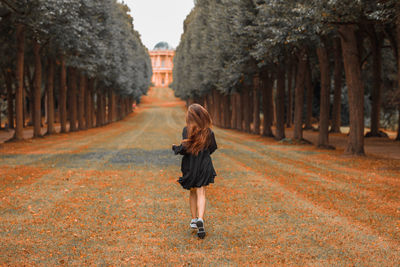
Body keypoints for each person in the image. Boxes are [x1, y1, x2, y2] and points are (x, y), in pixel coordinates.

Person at [172, 103, 217, 239]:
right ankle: (201, 219)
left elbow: (185, 148)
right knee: (201, 192)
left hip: (190, 165)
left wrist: (176, 148)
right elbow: (213, 147)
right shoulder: (208, 132)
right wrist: (204, 153)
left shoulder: (187, 130)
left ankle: (193, 219)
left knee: (192, 191)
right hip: (204, 164)